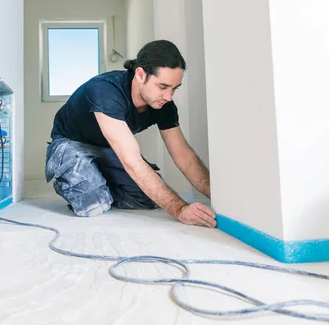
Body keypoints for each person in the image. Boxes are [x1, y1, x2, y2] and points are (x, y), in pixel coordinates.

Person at [44, 40, 217, 228]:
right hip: (71, 144)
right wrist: (179, 209)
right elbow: (132, 161)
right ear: (141, 74)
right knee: (93, 205)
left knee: (149, 201)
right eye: (163, 86)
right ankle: (68, 176)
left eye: (174, 88)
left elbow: (183, 154)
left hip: (107, 150)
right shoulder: (105, 91)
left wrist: (217, 197)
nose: (169, 97)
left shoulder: (164, 105)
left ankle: (98, 180)